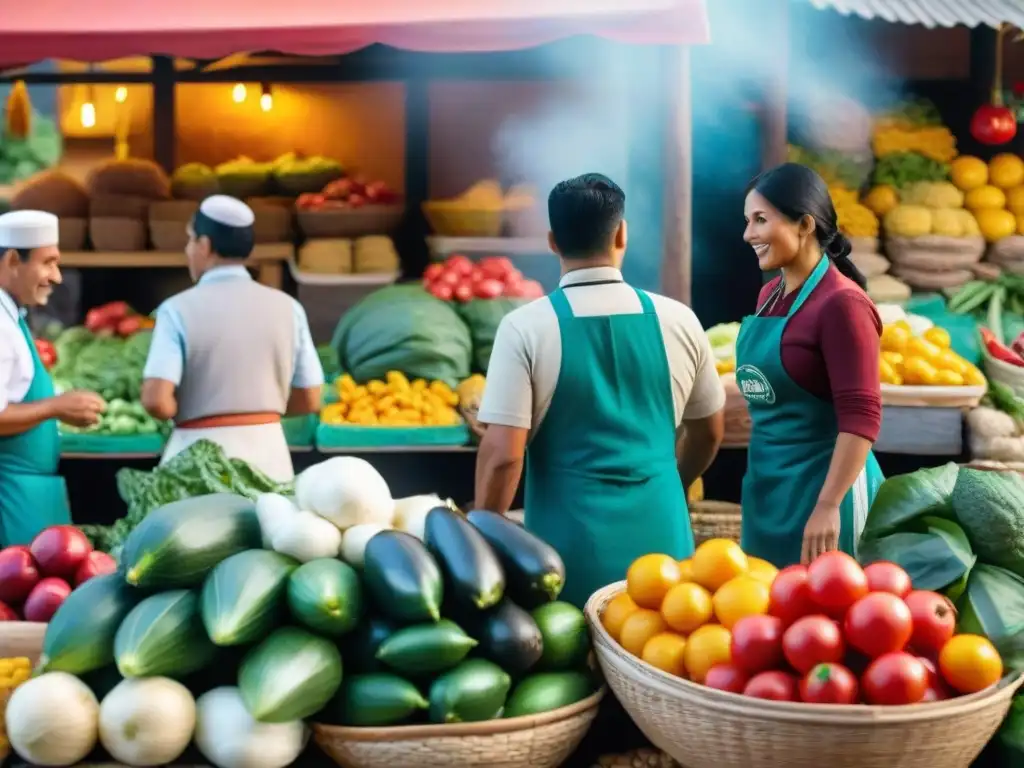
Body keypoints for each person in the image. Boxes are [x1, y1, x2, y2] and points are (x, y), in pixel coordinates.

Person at [474, 173, 726, 609]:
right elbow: (710, 433)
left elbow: (503, 456)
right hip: (664, 557)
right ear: (621, 233)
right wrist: (673, 482)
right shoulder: (679, 320)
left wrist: (481, 536)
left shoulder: (525, 327)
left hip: (565, 555)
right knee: (654, 661)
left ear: (552, 241)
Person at [738, 162, 884, 567]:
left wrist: (827, 505)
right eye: (747, 221)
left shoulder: (843, 304)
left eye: (760, 220)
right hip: (769, 489)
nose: (748, 234)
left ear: (804, 224)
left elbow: (862, 418)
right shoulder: (769, 295)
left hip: (825, 494)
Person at [141, 195, 323, 482]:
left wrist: (182, 410)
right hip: (270, 456)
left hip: (197, 461)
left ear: (205, 245)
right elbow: (311, 397)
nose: (189, 250)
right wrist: (259, 410)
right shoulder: (289, 308)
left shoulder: (176, 309)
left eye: (190, 241)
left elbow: (156, 400)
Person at [0, 210, 105, 545]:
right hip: (11, 498)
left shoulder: (11, 317)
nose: (56, 276)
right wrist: (56, 407)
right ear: (14, 260)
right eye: (48, 262)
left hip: (28, 493)